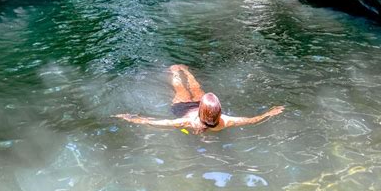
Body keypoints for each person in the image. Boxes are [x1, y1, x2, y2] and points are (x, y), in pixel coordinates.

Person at [115, 64, 284, 134]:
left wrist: (131, 118)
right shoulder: (226, 121)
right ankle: (183, 71)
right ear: (219, 111)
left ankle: (178, 71)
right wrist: (271, 113)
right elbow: (252, 120)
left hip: (182, 108)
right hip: (190, 108)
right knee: (196, 89)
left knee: (181, 89)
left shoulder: (187, 123)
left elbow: (157, 123)